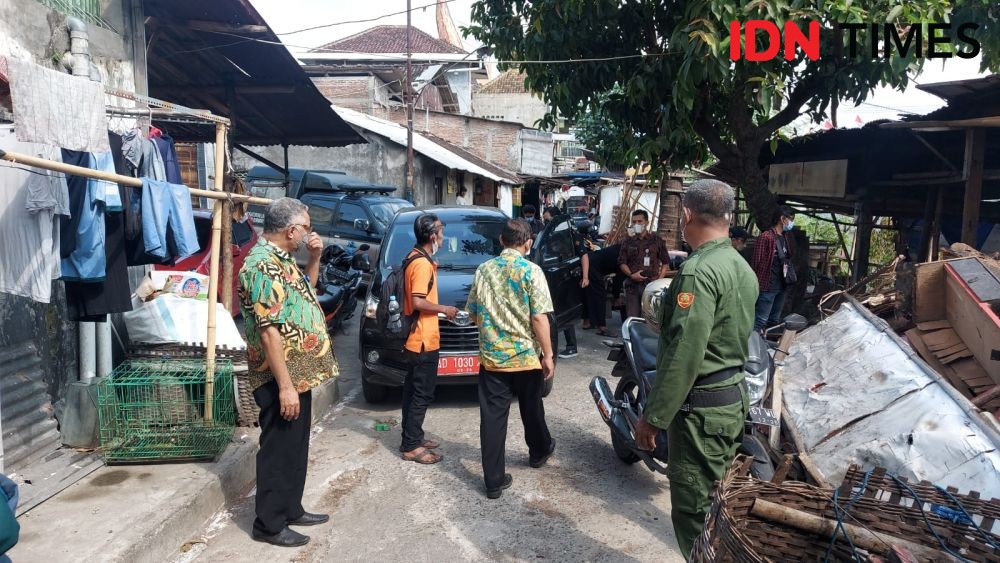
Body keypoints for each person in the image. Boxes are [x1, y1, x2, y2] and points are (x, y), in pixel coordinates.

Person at [633, 180, 758, 559]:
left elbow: (684, 354)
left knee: (694, 513)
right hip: (731, 401)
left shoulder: (697, 271)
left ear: (685, 215)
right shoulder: (740, 266)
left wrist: (652, 418)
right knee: (719, 502)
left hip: (701, 412)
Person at [239, 198, 337, 548]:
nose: (309, 233)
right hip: (279, 377)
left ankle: (290, 508)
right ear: (291, 230)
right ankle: (268, 523)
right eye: (306, 228)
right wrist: (285, 387)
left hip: (299, 372)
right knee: (279, 448)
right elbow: (268, 331)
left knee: (295, 444)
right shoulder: (261, 266)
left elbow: (307, 294)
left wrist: (314, 258)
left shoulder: (283, 260)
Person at [467, 219, 556, 499]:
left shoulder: (483, 270)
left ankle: (493, 481)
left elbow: (472, 313)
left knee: (492, 418)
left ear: (502, 241)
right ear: (527, 243)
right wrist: (549, 354)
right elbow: (539, 317)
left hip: (493, 359)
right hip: (526, 357)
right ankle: (539, 452)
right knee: (532, 409)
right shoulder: (532, 271)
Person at [400, 213, 459, 464]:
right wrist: (445, 309)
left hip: (416, 337)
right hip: (422, 339)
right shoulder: (422, 264)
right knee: (421, 393)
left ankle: (413, 436)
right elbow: (417, 301)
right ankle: (411, 445)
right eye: (441, 233)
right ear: (432, 236)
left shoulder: (414, 256)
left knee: (412, 391)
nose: (443, 238)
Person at [749, 205, 796, 331]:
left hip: (781, 286)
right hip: (768, 286)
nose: (792, 222)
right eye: (791, 219)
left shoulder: (786, 237)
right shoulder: (766, 237)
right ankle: (752, 347)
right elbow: (756, 263)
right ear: (782, 218)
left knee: (774, 321)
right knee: (760, 320)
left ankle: (767, 347)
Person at [617, 210, 670, 318]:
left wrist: (659, 280)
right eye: (634, 222)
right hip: (633, 286)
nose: (637, 224)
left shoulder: (656, 240)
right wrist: (632, 275)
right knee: (633, 318)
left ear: (647, 222)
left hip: (651, 286)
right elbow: (622, 263)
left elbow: (665, 262)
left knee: (649, 319)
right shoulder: (627, 241)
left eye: (640, 221)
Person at [581, 243, 622, 337]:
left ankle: (586, 322)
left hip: (588, 260)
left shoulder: (621, 246)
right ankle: (602, 327)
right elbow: (618, 279)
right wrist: (616, 297)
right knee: (600, 295)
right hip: (593, 266)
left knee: (587, 292)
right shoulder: (625, 255)